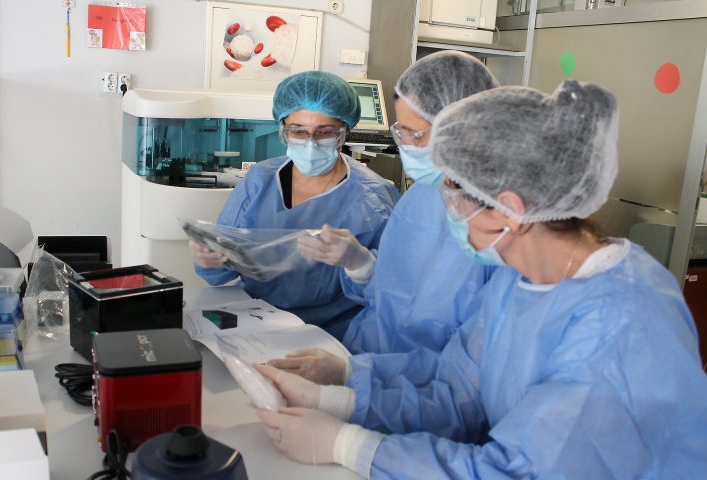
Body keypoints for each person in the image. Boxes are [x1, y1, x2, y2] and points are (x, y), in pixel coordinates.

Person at [254, 80, 707, 478]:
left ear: (508, 209)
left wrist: (349, 446)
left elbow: (517, 472)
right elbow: (457, 390)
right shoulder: (518, 279)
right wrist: (338, 400)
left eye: (453, 194)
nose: (445, 210)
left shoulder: (618, 323)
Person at [282, 52, 498, 374]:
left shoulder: (499, 226)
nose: (405, 144)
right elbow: (393, 299)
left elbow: (466, 371)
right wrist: (362, 266)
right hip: (363, 352)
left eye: (415, 134)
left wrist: (356, 379)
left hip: (409, 383)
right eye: (401, 130)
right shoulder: (424, 194)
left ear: (465, 131)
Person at [190, 71, 400, 340]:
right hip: (254, 320)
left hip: (330, 334)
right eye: (298, 131)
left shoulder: (374, 199)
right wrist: (210, 259)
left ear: (344, 132)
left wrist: (360, 264)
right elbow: (219, 272)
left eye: (325, 132)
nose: (310, 143)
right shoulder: (260, 179)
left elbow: (392, 295)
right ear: (282, 129)